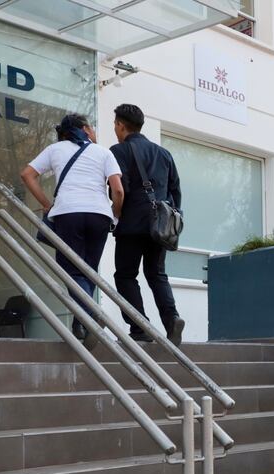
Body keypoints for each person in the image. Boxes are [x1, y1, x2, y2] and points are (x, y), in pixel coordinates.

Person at [21, 114, 124, 343]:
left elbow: (27, 175)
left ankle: (91, 318)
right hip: (99, 215)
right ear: (86, 129)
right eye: (93, 128)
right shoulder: (104, 152)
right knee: (88, 272)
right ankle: (82, 325)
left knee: (73, 272)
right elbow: (118, 191)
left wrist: (47, 204)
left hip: (68, 214)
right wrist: (115, 214)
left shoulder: (55, 149)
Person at [109, 104, 185, 346]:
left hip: (131, 224)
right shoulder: (164, 154)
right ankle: (171, 319)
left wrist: (116, 215)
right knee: (157, 274)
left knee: (125, 275)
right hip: (159, 226)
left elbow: (120, 189)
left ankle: (140, 327)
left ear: (121, 125)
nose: (115, 129)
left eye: (115, 125)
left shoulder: (118, 151)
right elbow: (176, 192)